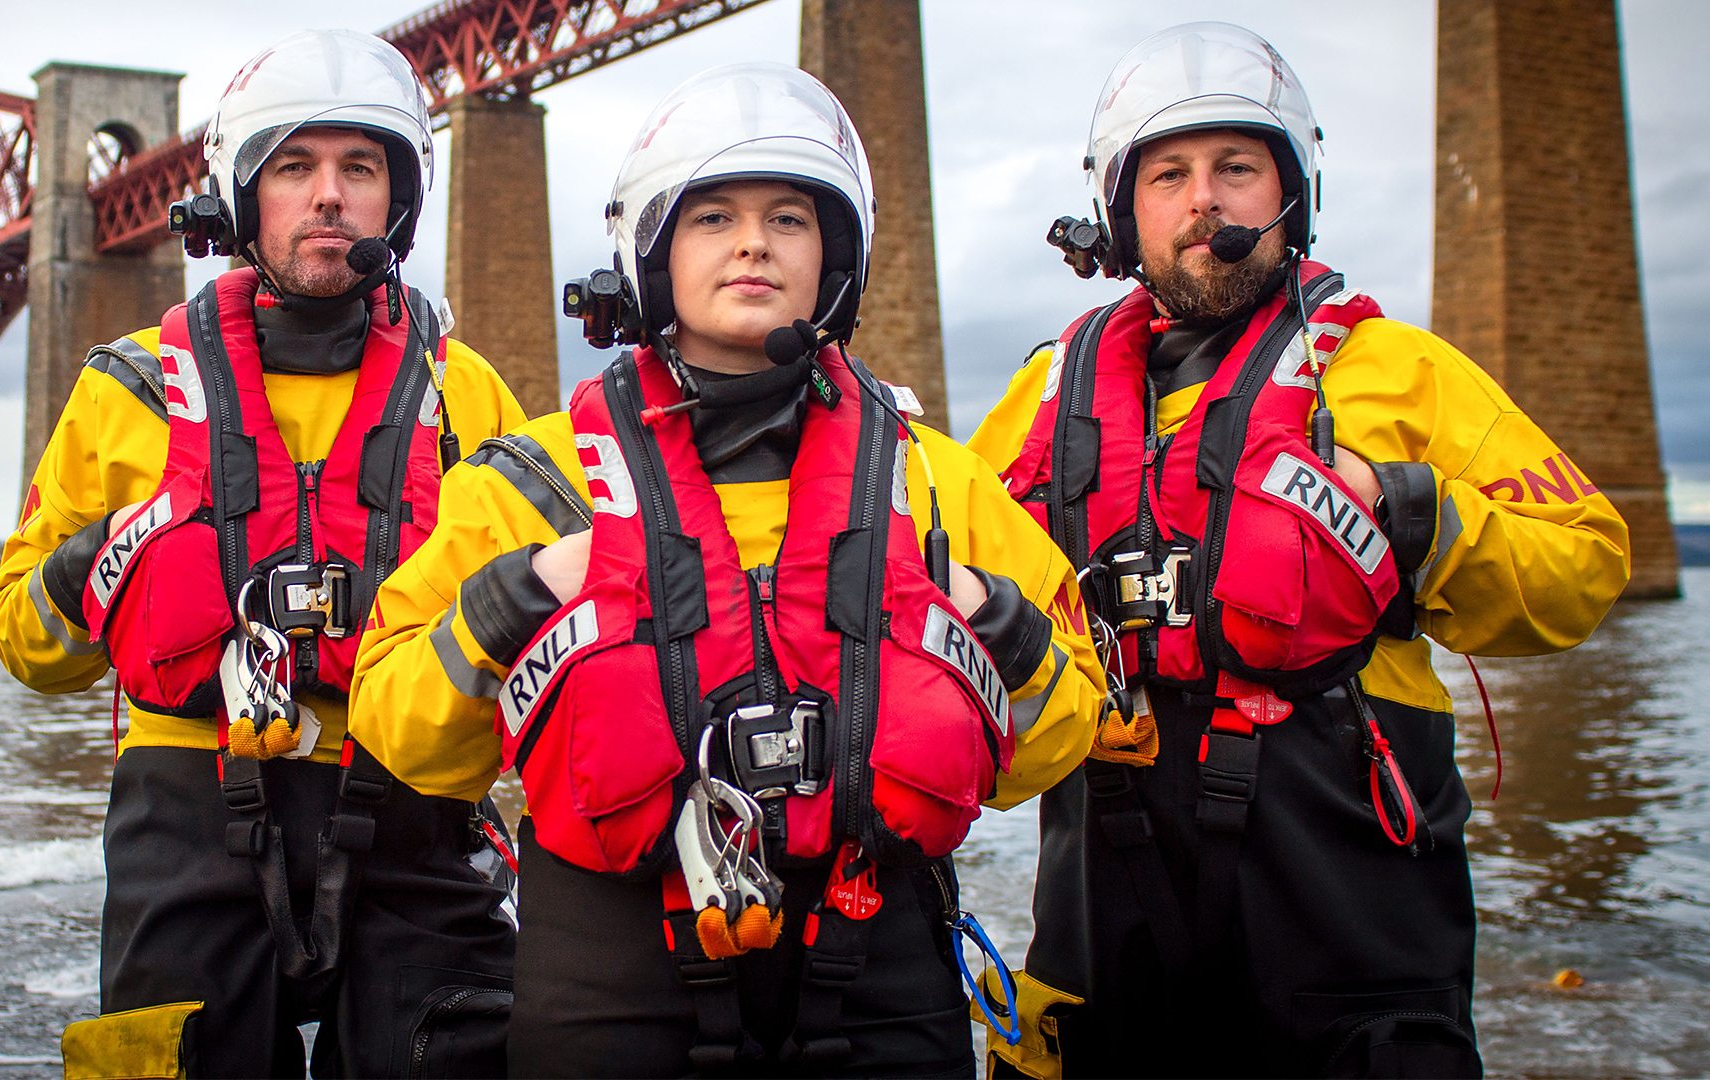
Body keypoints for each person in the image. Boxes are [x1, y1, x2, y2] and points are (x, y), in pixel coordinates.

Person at [349, 62, 1106, 1078]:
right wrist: (507, 602)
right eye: (714, 218)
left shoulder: (936, 486)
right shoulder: (532, 487)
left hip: (878, 975)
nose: (754, 242)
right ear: (653, 252)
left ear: (834, 256)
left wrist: (999, 626)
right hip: (610, 984)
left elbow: (1059, 741)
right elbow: (401, 735)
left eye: (788, 218)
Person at [966, 21, 1632, 1078]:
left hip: (1347, 919)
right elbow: (912, 570)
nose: (1204, 201)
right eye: (1169, 175)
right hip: (1106, 912)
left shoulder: (1397, 373)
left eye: (1236, 167)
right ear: (1122, 212)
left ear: (1290, 193)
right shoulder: (1042, 402)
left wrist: (1418, 517)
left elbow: (1585, 564)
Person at [0, 29, 524, 1078]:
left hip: (416, 809)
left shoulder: (469, 396)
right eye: (294, 167)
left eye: (359, 167)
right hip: (189, 809)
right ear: (241, 194)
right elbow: (25, 644)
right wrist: (95, 566)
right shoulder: (129, 388)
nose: (329, 195)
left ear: (398, 199)